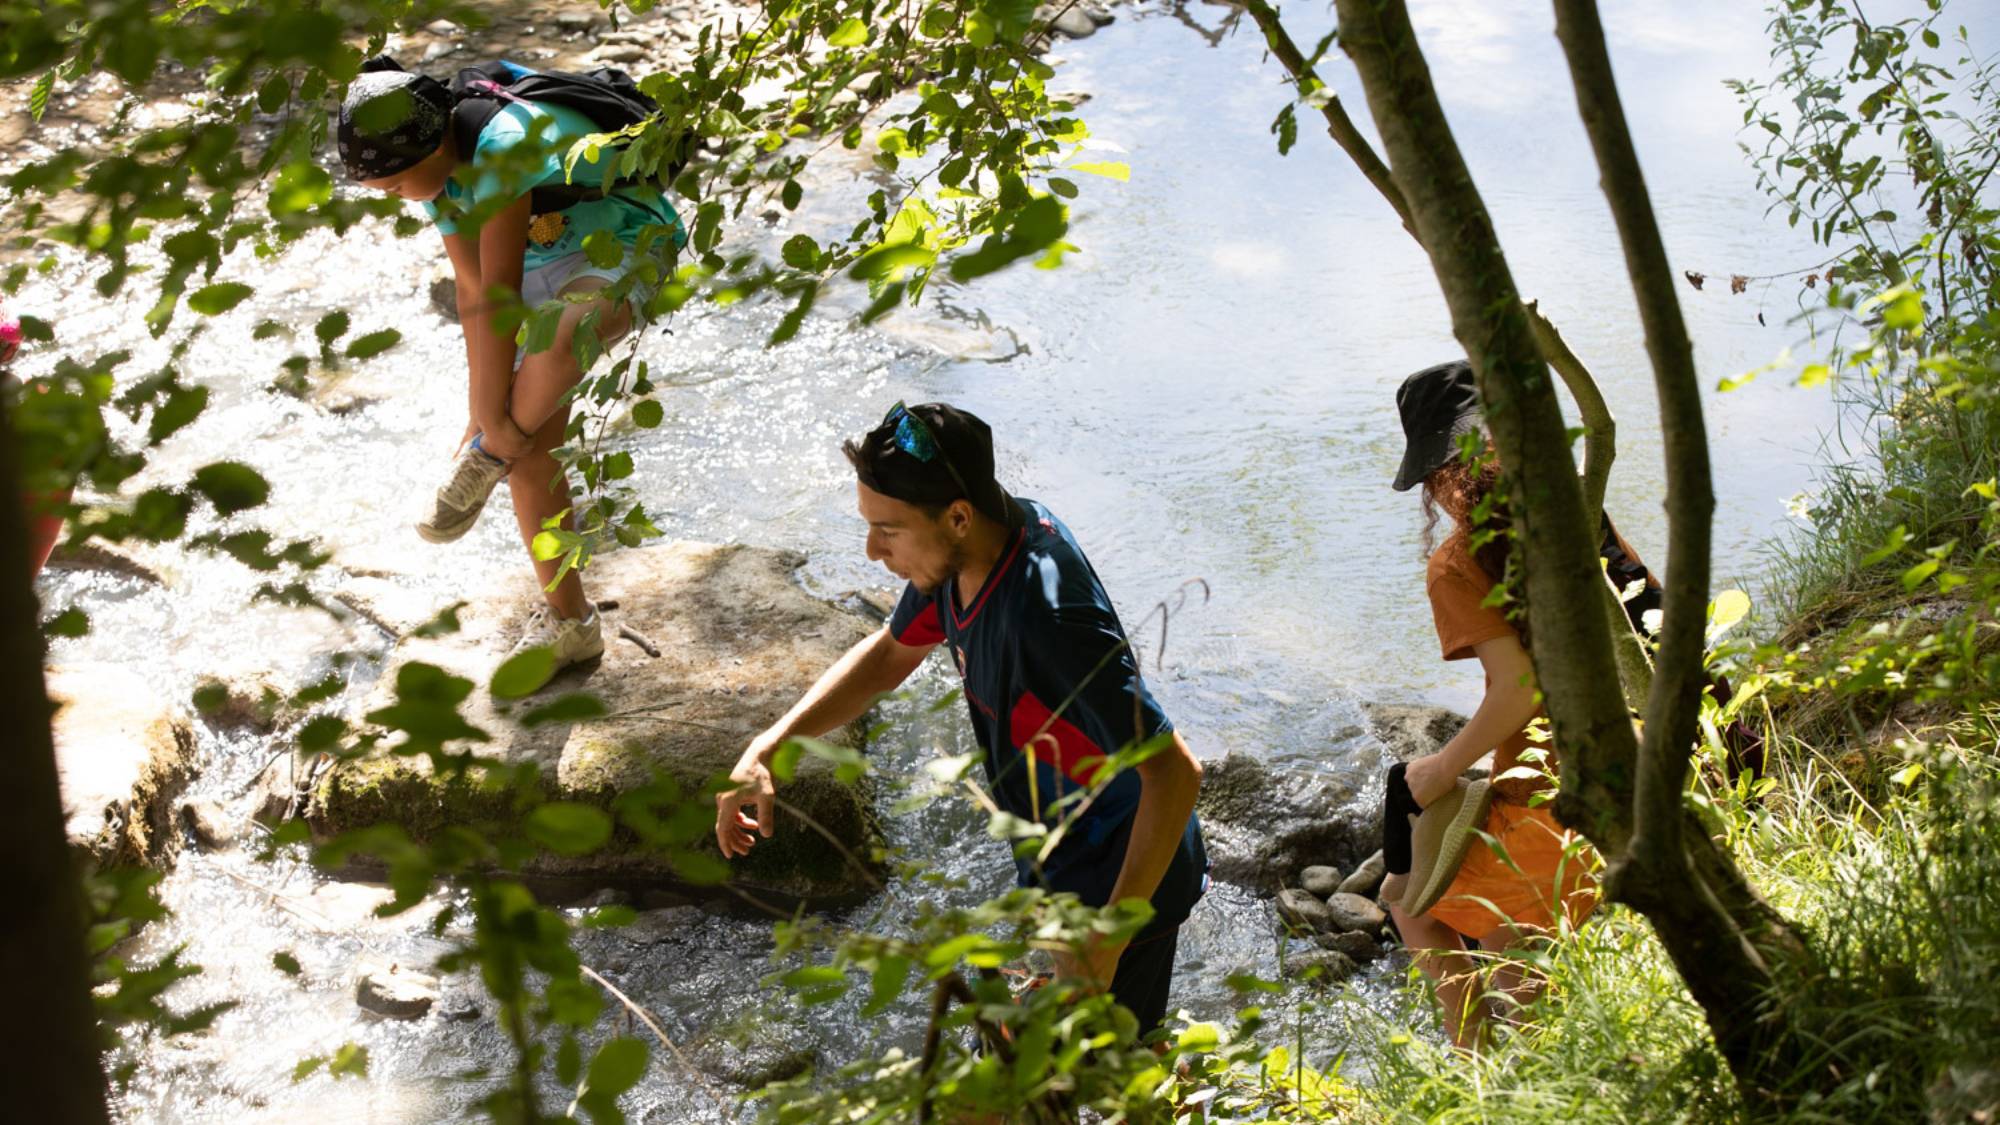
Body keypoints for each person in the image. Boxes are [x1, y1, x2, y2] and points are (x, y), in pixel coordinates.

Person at [715, 402, 1209, 1037]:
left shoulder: (1050, 618)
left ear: (956, 515)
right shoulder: (960, 555)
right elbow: (891, 655)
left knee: (1038, 1090)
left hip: (1124, 884)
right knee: (1052, 1081)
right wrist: (770, 745)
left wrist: (1103, 944)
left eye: (887, 530)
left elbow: (1176, 775)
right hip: (1062, 871)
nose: (871, 551)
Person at [337, 59, 684, 668]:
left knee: (552, 342)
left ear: (431, 144)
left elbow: (497, 294)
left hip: (625, 241)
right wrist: (485, 414)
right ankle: (573, 625)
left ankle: (487, 455)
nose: (395, 198)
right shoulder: (440, 171)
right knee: (530, 455)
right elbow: (474, 293)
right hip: (537, 262)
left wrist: (491, 429)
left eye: (393, 187)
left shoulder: (501, 146)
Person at [1379, 360, 1599, 1049]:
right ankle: (1536, 1061)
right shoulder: (1577, 510)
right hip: (1654, 767)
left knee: (1401, 898)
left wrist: (1444, 767)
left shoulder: (1459, 561)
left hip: (1556, 807)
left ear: (1436, 475)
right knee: (1512, 941)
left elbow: (1519, 688)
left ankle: (1471, 1055)